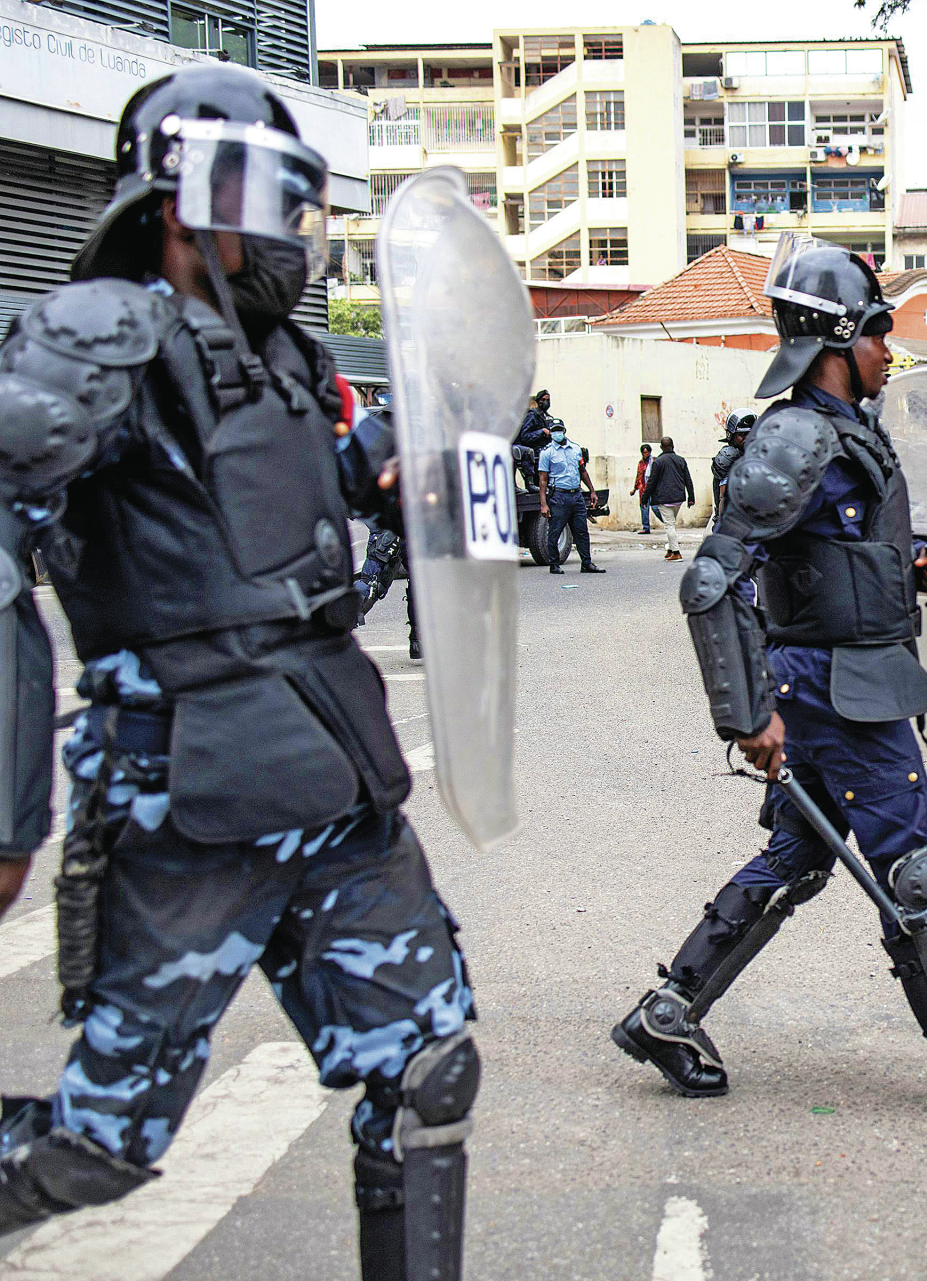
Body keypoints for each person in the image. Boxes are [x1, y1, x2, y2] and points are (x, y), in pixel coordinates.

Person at [0, 66, 478, 1279]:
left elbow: (284, 544)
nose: (291, 237)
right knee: (98, 1147)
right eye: (271, 198)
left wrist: (390, 470)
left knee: (427, 1073)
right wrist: (6, 808)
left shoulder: (288, 362)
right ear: (184, 195)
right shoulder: (96, 332)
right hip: (187, 796)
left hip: (334, 778)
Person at [610, 236, 927, 1112]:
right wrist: (746, 712)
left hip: (847, 673)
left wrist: (921, 570)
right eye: (876, 333)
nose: (889, 350)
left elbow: (838, 559)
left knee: (796, 855)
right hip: (833, 687)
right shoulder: (795, 434)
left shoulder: (849, 432)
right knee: (916, 867)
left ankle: (670, 1009)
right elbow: (714, 577)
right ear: (835, 341)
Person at [537, 418, 604, 574]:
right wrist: (543, 503)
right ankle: (554, 564)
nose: (557, 433)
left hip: (576, 495)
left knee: (581, 531)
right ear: (550, 433)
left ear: (564, 431)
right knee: (555, 530)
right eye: (554, 431)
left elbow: (582, 471)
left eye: (559, 430)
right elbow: (543, 479)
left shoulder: (575, 449)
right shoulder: (547, 452)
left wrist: (592, 491)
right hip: (559, 496)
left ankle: (586, 563)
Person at [353, 514, 417, 660]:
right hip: (390, 521)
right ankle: (334, 624)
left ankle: (418, 639)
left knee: (420, 577)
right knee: (372, 582)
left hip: (396, 521)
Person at [646, 436, 695, 562]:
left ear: (661, 447)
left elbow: (651, 482)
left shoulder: (658, 461)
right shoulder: (681, 460)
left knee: (669, 525)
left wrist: (644, 498)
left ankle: (676, 553)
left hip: (664, 499)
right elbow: (688, 479)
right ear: (673, 446)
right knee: (671, 523)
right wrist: (691, 497)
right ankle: (670, 550)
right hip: (678, 498)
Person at [710, 411, 755, 528]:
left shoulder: (757, 454)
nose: (747, 438)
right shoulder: (728, 457)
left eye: (750, 434)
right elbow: (723, 497)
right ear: (731, 435)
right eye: (742, 434)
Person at [630, 442, 655, 533]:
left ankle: (668, 523)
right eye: (644, 453)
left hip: (653, 488)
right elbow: (639, 476)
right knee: (644, 507)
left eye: (647, 452)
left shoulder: (654, 461)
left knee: (656, 507)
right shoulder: (641, 463)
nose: (645, 454)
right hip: (643, 489)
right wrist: (635, 489)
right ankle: (646, 527)